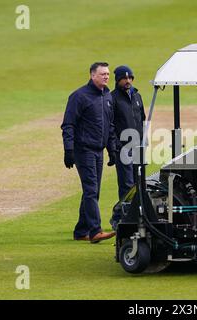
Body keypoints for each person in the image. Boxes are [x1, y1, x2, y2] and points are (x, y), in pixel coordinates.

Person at [61, 62, 117, 243]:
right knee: (91, 190)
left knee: (92, 191)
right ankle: (95, 231)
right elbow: (68, 125)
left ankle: (81, 231)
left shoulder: (107, 96)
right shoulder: (79, 96)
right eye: (102, 74)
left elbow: (109, 126)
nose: (106, 77)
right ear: (93, 75)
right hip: (83, 150)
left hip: (98, 151)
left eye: (108, 74)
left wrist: (112, 150)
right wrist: (68, 150)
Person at [109, 65, 146, 230]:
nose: (128, 81)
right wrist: (116, 145)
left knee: (139, 183)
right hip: (123, 148)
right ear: (117, 80)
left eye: (130, 78)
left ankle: (134, 216)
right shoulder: (112, 98)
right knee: (127, 184)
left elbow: (142, 120)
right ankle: (121, 218)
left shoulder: (137, 96)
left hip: (138, 147)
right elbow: (110, 125)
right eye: (124, 78)